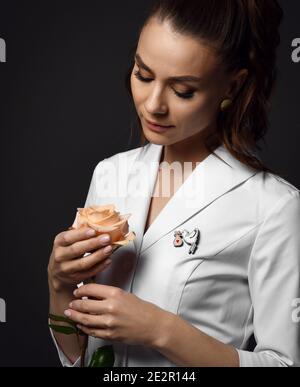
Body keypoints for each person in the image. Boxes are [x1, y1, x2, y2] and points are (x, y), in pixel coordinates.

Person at [48, 0, 300, 367]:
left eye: (182, 91)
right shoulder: (110, 174)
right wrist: (58, 284)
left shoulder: (274, 206)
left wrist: (162, 330)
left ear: (233, 85)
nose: (152, 105)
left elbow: (285, 363)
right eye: (143, 74)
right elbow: (81, 358)